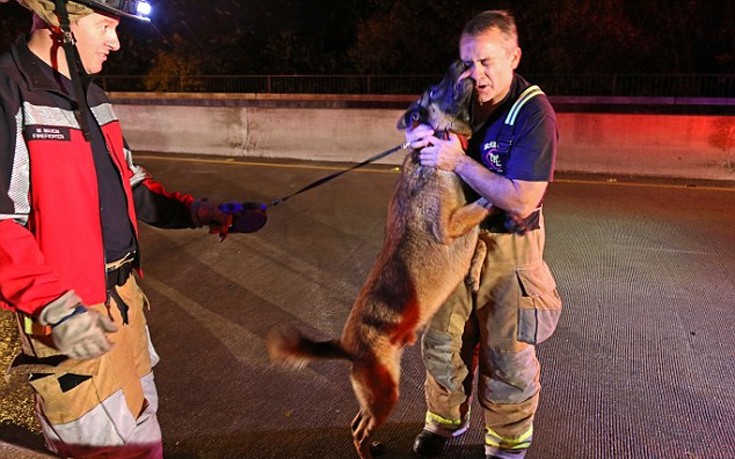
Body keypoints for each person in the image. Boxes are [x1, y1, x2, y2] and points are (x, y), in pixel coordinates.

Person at [0, 0, 255, 457]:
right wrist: (54, 308)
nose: (116, 43)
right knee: (99, 447)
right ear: (59, 21)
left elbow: (131, 183)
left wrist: (199, 212)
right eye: (105, 26)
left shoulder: (93, 94)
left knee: (141, 431)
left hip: (124, 303)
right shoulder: (8, 91)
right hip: (70, 312)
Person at [405, 10, 563, 459]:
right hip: (454, 243)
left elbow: (520, 200)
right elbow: (415, 117)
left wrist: (456, 162)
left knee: (506, 354)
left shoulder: (534, 114)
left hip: (509, 250)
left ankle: (508, 441)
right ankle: (445, 421)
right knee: (442, 339)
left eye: (488, 62)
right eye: (468, 63)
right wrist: (417, 131)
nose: (476, 74)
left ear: (514, 57)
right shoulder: (459, 91)